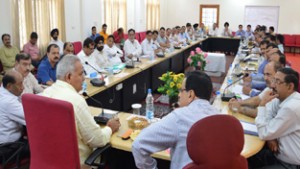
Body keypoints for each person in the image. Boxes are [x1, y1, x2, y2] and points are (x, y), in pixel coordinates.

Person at [42, 55, 121, 167]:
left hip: (51, 160)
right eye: (80, 74)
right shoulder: (76, 101)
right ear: (68, 77)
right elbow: (97, 140)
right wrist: (110, 128)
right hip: (77, 163)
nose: (84, 78)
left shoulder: (46, 93)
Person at [132, 71, 219, 169]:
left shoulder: (180, 117)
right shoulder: (220, 117)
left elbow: (139, 145)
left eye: (181, 90)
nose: (179, 95)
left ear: (191, 94)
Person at [252, 68, 300, 169]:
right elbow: (269, 115)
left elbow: (264, 133)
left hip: (290, 164)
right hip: (277, 154)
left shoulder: (292, 107)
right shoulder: (281, 98)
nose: (273, 85)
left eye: (278, 82)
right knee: (247, 159)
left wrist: (261, 106)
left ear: (290, 86)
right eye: (274, 80)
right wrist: (271, 136)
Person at [0, 70, 29, 162]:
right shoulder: (9, 102)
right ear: (9, 86)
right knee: (40, 146)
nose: (23, 87)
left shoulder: (3, 92)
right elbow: (32, 118)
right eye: (20, 84)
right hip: (6, 148)